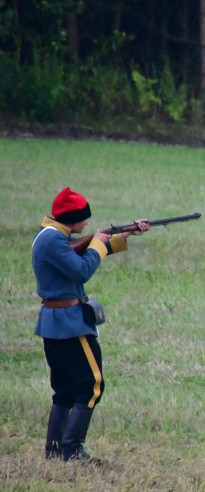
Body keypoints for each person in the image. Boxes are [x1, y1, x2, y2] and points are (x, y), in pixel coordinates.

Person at [32, 187, 150, 461]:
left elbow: (80, 254)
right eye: (83, 219)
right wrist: (97, 243)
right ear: (72, 220)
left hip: (57, 323)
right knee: (91, 385)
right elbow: (82, 270)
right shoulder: (53, 241)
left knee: (64, 389)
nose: (86, 224)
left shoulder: (51, 236)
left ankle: (55, 449)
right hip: (69, 325)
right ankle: (71, 449)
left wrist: (125, 234)